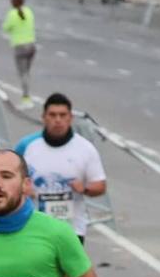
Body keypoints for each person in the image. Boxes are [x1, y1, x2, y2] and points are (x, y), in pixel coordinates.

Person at [14, 92, 106, 241]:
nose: (58, 120)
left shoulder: (85, 148)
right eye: (53, 115)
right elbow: (10, 180)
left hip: (72, 231)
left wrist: (85, 189)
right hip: (35, 229)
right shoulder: (29, 147)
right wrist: (22, 189)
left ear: (71, 118)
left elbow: (100, 185)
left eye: (63, 115)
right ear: (43, 117)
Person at [3, 0, 37, 100]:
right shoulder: (29, 11)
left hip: (20, 46)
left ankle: (26, 96)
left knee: (22, 73)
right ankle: (27, 92)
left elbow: (6, 27)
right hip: (31, 44)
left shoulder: (12, 14)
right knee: (27, 72)